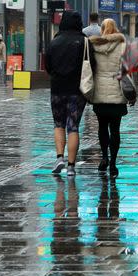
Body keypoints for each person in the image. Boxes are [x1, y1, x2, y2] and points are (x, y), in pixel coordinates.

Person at [45, 10, 96, 177]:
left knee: (58, 124)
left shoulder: (54, 41)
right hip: (77, 90)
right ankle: (71, 166)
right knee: (73, 126)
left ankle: (59, 157)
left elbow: (48, 67)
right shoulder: (84, 41)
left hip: (57, 89)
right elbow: (93, 66)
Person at [89, 19, 130, 178]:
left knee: (102, 127)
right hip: (117, 92)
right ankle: (113, 163)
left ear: (102, 30)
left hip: (99, 92)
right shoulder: (123, 46)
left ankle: (104, 157)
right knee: (115, 129)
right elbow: (127, 70)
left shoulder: (93, 46)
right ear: (115, 29)